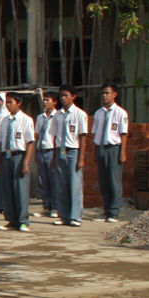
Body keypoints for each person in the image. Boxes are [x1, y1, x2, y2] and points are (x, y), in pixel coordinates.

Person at [0, 92, 36, 231]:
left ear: (19, 103)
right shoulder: (4, 121)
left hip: (19, 156)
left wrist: (25, 162)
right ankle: (11, 219)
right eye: (7, 102)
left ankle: (23, 220)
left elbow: (30, 142)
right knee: (8, 189)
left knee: (20, 189)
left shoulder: (26, 120)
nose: (7, 105)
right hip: (6, 156)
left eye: (10, 102)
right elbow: (0, 142)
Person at [53, 86, 89, 227]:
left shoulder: (80, 114)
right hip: (60, 150)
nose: (63, 98)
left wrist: (81, 157)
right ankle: (64, 215)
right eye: (61, 95)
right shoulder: (57, 115)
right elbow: (54, 136)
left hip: (73, 150)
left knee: (75, 184)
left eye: (66, 95)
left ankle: (75, 216)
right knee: (62, 185)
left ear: (73, 96)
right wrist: (54, 157)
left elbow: (82, 136)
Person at [92, 83, 129, 222]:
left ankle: (114, 212)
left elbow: (123, 133)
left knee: (114, 181)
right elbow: (95, 133)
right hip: (101, 147)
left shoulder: (120, 113)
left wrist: (122, 152)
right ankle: (106, 210)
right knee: (104, 181)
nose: (104, 96)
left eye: (107, 93)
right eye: (103, 93)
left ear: (114, 95)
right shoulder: (99, 112)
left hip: (113, 148)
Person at [34, 91, 59, 220]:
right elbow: (37, 134)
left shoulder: (58, 116)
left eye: (48, 100)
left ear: (54, 102)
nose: (45, 102)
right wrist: (35, 150)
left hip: (51, 150)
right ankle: (46, 206)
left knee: (53, 180)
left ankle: (55, 207)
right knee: (42, 181)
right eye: (44, 100)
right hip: (41, 150)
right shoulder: (40, 117)